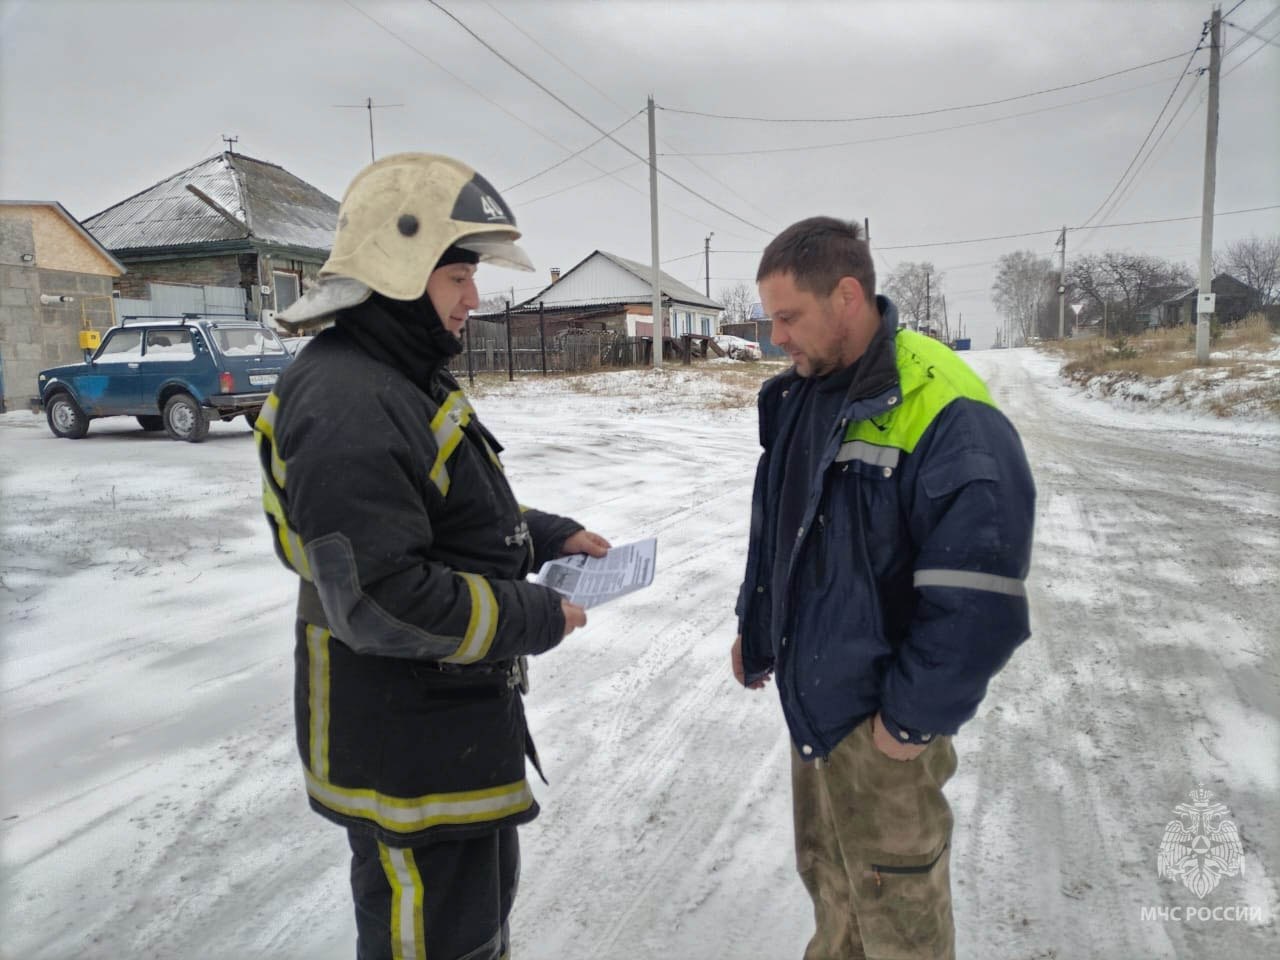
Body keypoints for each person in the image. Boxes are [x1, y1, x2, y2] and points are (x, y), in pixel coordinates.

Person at [256, 153, 610, 960]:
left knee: (471, 935)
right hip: (403, 754)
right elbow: (379, 596)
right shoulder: (349, 401)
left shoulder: (395, 374)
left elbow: (433, 513)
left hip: (440, 738)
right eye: (458, 277)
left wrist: (546, 534)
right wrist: (534, 613)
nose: (474, 300)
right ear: (400, 268)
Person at [732, 217, 1035, 959]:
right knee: (832, 891)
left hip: (881, 728)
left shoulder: (944, 407)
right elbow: (786, 531)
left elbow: (979, 598)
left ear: (845, 296)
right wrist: (758, 626)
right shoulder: (806, 392)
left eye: (787, 317)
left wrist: (906, 723)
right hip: (817, 711)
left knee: (899, 919)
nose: (776, 338)